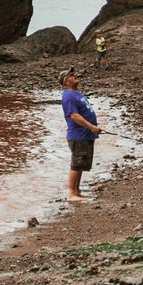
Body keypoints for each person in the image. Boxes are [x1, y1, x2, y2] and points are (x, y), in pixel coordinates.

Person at [60, 71, 102, 202]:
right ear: (66, 82)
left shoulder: (76, 94)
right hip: (78, 135)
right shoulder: (68, 96)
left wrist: (92, 128)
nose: (75, 76)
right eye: (71, 75)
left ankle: (77, 191)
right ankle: (71, 194)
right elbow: (74, 115)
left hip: (86, 135)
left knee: (82, 164)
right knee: (76, 164)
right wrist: (92, 127)